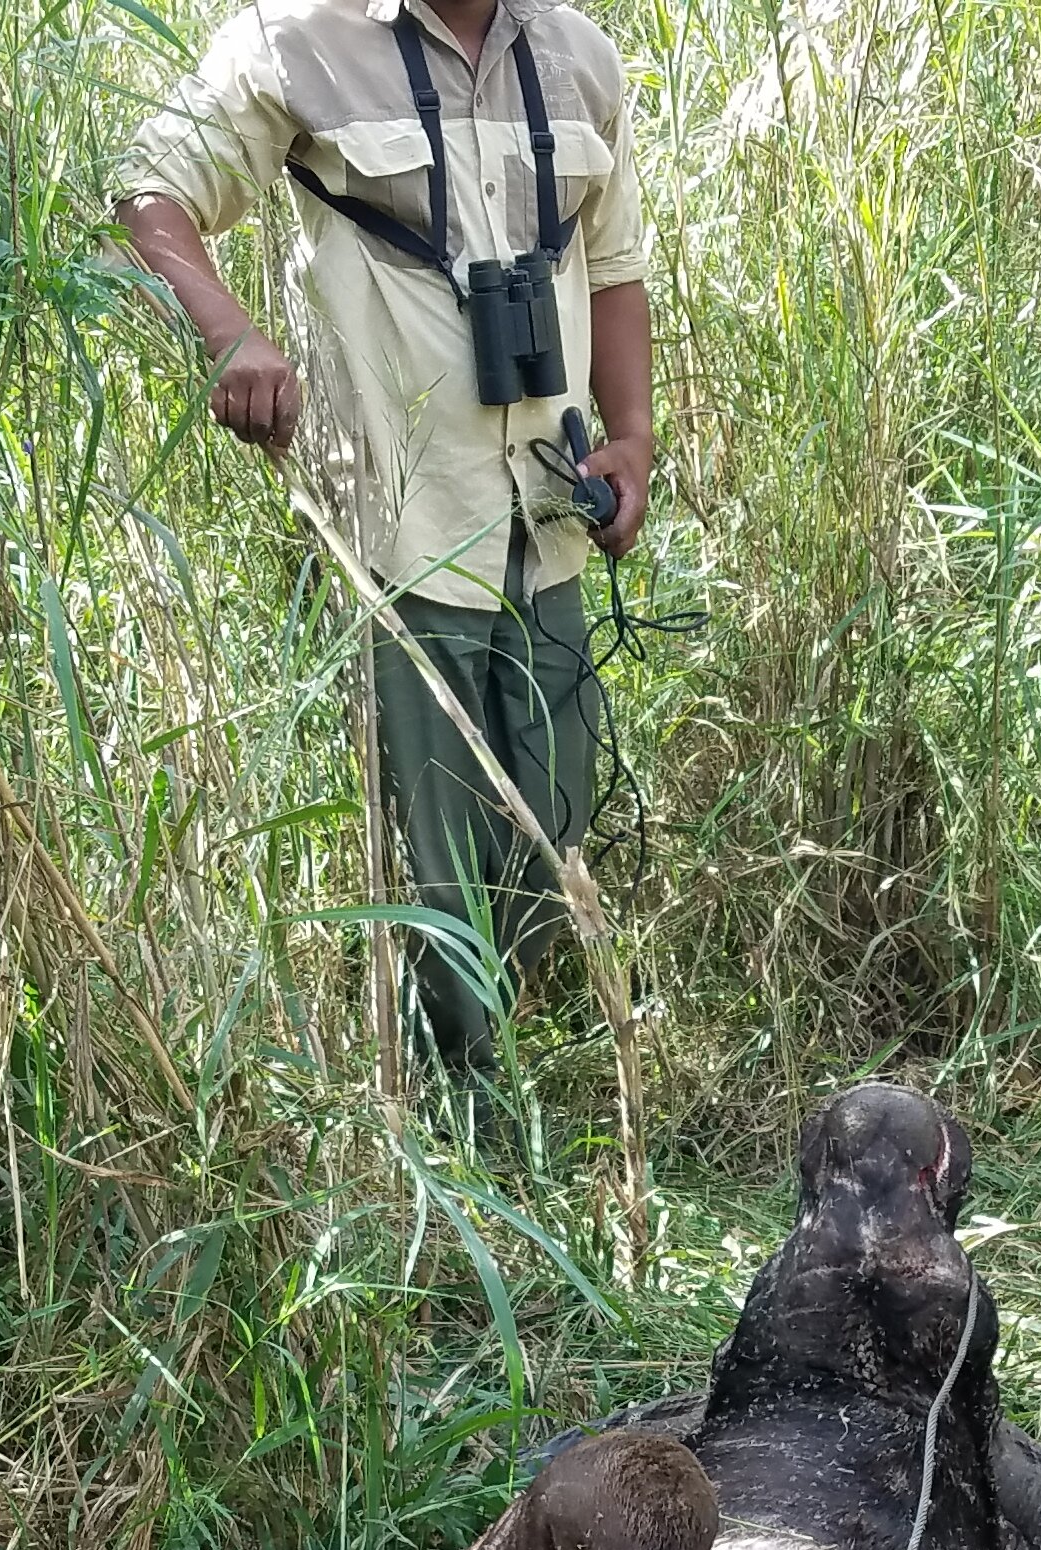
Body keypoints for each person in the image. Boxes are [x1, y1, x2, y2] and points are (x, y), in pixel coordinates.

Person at [117, 0, 657, 1086]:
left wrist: (635, 440)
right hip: (402, 537)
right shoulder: (294, 38)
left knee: (555, 838)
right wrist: (231, 337)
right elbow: (148, 195)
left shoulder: (578, 56)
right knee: (440, 863)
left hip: (548, 524)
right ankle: (467, 1124)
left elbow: (612, 265)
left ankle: (490, 1073)